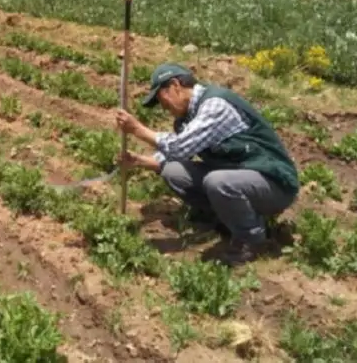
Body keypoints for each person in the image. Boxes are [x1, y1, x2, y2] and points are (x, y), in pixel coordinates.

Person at [114, 62, 299, 266]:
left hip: (274, 183)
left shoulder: (215, 105)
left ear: (175, 85)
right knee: (173, 171)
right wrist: (139, 161)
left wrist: (138, 130)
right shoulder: (186, 119)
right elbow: (175, 154)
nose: (164, 108)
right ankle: (227, 220)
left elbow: (179, 148)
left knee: (217, 181)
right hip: (239, 179)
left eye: (162, 99)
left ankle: (252, 240)